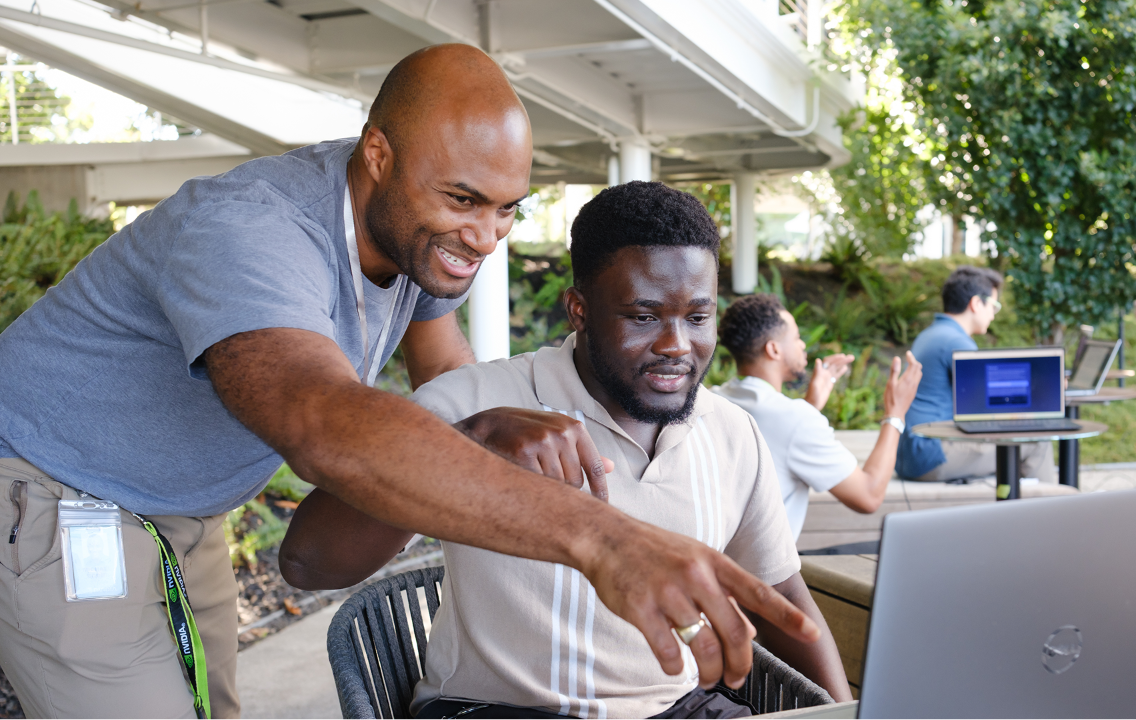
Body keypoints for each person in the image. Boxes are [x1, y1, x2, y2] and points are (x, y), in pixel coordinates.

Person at [0, 47, 817, 720]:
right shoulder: (249, 231)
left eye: (506, 209)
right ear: (379, 154)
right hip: (55, 495)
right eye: (465, 199)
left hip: (185, 514)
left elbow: (454, 392)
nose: (485, 236)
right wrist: (603, 538)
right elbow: (320, 420)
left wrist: (502, 431)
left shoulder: (413, 235)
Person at [279, 181, 851, 719]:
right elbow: (308, 559)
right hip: (502, 711)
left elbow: (782, 596)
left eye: (697, 317)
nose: (678, 345)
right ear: (579, 309)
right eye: (644, 316)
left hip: (676, 708)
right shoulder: (475, 402)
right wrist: (466, 442)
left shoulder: (732, 432)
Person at [712, 294, 922, 540]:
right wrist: (895, 413)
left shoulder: (714, 399)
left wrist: (810, 406)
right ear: (774, 349)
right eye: (797, 338)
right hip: (762, 576)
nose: (803, 345)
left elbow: (774, 439)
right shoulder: (795, 419)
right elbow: (868, 495)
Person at [894, 266, 1054, 483]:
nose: (993, 315)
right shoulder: (956, 342)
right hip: (930, 456)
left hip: (911, 451)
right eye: (993, 306)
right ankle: (1045, 512)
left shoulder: (931, 333)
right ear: (976, 303)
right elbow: (990, 401)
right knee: (1037, 444)